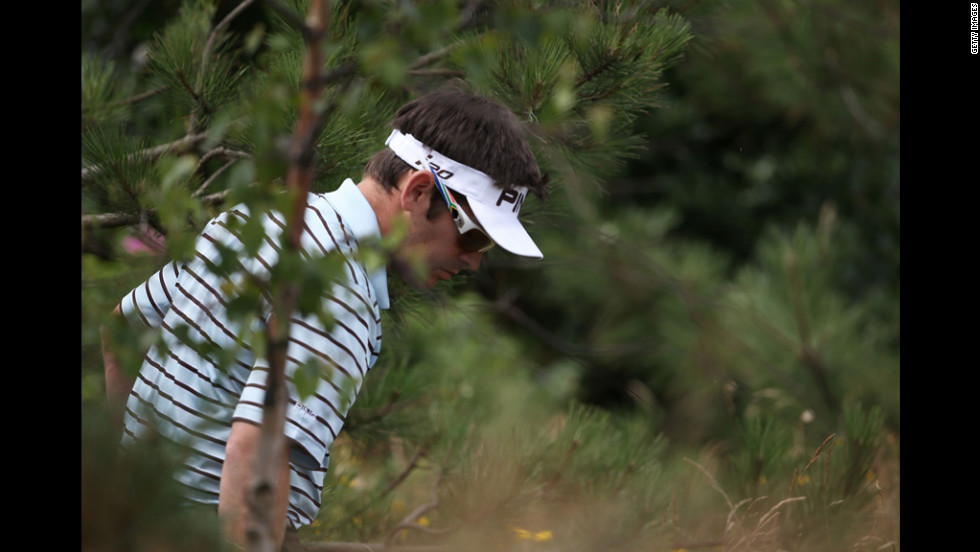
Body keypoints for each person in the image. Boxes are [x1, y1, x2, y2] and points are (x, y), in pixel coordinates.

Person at [101, 85, 549, 551]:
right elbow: (256, 455)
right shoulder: (341, 292)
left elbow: (123, 327)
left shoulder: (262, 215)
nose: (474, 261)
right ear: (417, 192)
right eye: (473, 237)